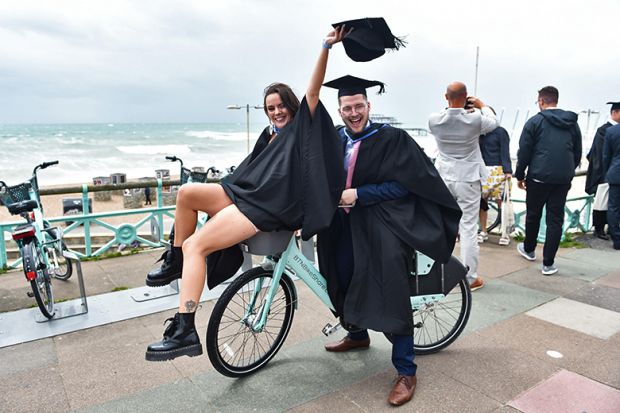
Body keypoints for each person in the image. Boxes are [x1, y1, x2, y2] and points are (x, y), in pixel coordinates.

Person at [144, 26, 348, 361]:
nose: (276, 112)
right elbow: (246, 173)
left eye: (281, 105)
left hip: (265, 208)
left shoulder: (301, 128)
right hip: (244, 194)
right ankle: (176, 259)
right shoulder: (268, 138)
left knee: (199, 244)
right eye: (270, 108)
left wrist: (325, 47)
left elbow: (313, 93)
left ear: (293, 107)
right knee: (186, 193)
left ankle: (184, 329)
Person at [318, 75, 462, 407]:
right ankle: (357, 334)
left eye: (358, 106)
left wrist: (361, 194)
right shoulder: (337, 139)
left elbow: (409, 185)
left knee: (388, 287)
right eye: (346, 108)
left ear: (369, 106)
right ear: (339, 110)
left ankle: (406, 370)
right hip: (341, 223)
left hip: (381, 220)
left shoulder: (392, 139)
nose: (353, 113)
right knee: (338, 277)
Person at [428, 82, 498, 291]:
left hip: (444, 178)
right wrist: (480, 104)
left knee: (440, 225)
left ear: (445, 97)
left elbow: (448, 114)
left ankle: (434, 272)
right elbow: (494, 122)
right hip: (467, 179)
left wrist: (453, 107)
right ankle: (470, 277)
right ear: (466, 96)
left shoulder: (434, 121)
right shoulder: (475, 119)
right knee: (468, 228)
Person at [514, 86, 582, 275]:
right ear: (556, 100)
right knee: (555, 219)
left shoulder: (535, 122)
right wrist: (568, 171)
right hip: (562, 178)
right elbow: (577, 151)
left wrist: (520, 175)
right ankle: (548, 263)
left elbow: (525, 151)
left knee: (533, 214)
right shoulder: (572, 123)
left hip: (538, 177)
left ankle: (529, 249)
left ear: (542, 101)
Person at [585, 101, 620, 240]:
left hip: (611, 171)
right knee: (602, 201)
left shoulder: (611, 130)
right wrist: (604, 172)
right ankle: (599, 229)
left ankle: (611, 229)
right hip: (603, 171)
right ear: (614, 112)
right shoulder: (603, 130)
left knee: (612, 204)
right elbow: (599, 154)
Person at [478, 118, 512, 245]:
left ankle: (505, 233)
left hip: (499, 170)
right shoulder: (480, 132)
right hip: (483, 170)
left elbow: (505, 151)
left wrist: (507, 170)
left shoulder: (501, 132)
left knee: (501, 202)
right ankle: (484, 231)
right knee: (483, 202)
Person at [603, 123, 620, 249]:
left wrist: (607, 172)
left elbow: (606, 156)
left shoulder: (611, 131)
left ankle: (617, 240)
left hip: (616, 173)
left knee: (613, 207)